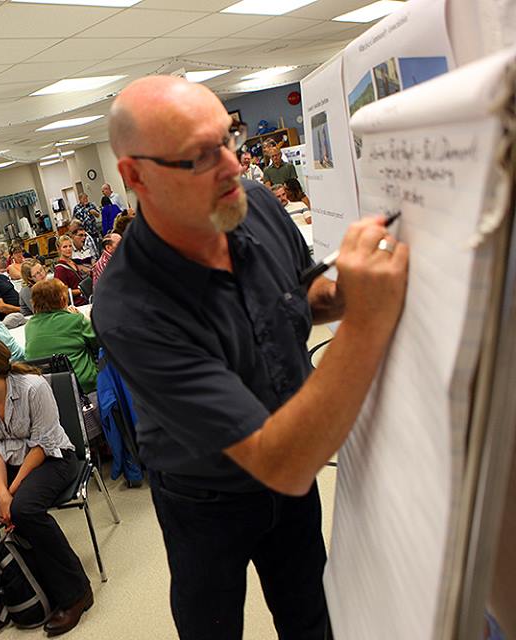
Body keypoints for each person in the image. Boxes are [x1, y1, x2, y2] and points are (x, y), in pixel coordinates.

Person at [97, 75, 408, 640]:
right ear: (135, 175)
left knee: (312, 612)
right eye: (199, 156)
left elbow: (296, 298)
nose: (233, 166)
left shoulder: (252, 205)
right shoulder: (129, 305)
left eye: (229, 138)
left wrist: (350, 292)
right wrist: (367, 320)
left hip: (295, 467)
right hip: (207, 497)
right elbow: (276, 460)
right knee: (212, 626)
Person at [0, 335, 92, 636]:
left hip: (51, 457)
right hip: (6, 461)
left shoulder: (33, 387)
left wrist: (11, 493)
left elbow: (42, 444)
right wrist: (2, 493)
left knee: (24, 509)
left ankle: (76, 592)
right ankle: (1, 594)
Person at [25, 279, 98, 394]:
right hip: (84, 386)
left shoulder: (29, 326)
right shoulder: (76, 320)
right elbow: (99, 342)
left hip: (48, 389)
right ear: (63, 299)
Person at [53, 235, 86, 306]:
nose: (68, 249)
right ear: (59, 249)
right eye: (65, 247)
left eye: (70, 246)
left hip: (84, 298)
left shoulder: (72, 262)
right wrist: (82, 290)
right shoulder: (59, 269)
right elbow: (62, 292)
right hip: (76, 304)